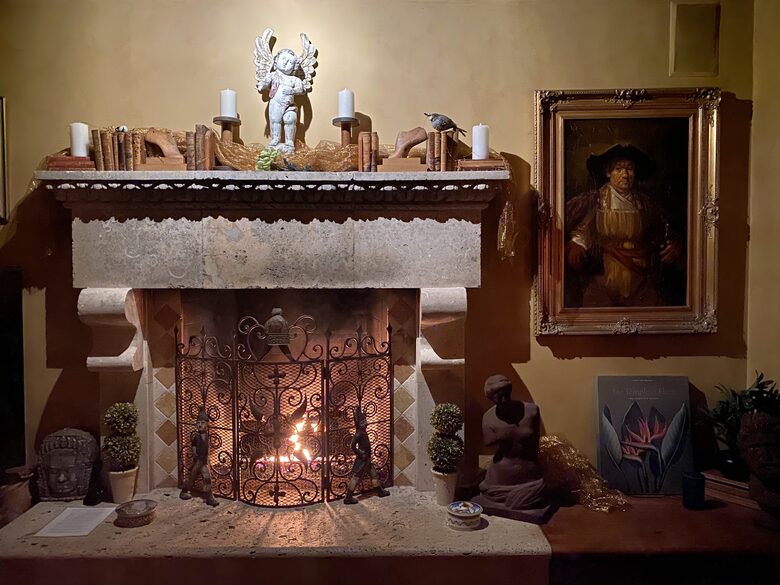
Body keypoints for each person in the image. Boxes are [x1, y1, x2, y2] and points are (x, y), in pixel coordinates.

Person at [565, 144, 683, 307]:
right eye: (618, 169)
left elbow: (665, 229)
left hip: (639, 275)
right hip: (605, 274)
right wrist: (576, 244)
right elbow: (581, 231)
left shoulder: (645, 204)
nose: (625, 175)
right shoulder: (596, 200)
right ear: (608, 173)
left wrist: (674, 244)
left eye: (630, 169)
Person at [473, 375, 553, 524]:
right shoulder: (488, 418)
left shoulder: (531, 411)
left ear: (510, 391)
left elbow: (535, 442)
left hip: (529, 474)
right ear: (490, 398)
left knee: (535, 497)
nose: (502, 399)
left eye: (504, 394)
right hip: (500, 477)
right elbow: (488, 442)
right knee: (490, 498)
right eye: (496, 397)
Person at [256, 48, 304, 153]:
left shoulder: (295, 79)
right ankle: (275, 139)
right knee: (275, 121)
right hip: (275, 103)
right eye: (283, 58)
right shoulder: (273, 75)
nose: (286, 63)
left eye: (290, 62)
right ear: (276, 60)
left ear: (294, 67)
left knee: (290, 119)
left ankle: (289, 141)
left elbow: (301, 90)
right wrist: (261, 86)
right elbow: (264, 82)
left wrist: (292, 90)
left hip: (290, 105)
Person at [344, 405, 390, 504]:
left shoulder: (363, 432)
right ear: (358, 424)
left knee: (374, 474)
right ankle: (348, 497)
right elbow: (352, 446)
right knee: (356, 478)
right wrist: (361, 453)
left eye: (365, 422)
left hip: (367, 459)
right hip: (362, 460)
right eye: (362, 422)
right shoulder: (358, 434)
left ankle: (379, 491)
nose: (365, 424)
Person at [180, 408, 218, 506]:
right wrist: (195, 455)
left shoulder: (207, 436)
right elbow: (194, 448)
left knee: (206, 478)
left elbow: (208, 448)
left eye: (203, 423)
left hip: (204, 460)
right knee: (193, 476)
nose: (200, 425)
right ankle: (185, 491)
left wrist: (208, 459)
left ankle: (209, 497)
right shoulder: (196, 437)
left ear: (207, 424)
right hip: (199, 460)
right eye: (198, 423)